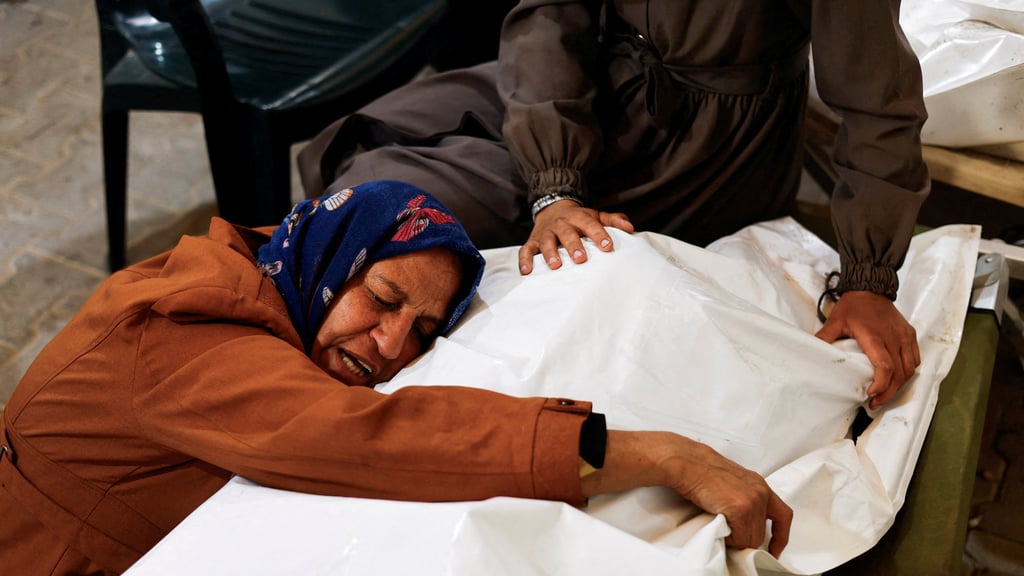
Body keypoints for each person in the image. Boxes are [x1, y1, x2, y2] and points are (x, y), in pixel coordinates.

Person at [0, 180, 791, 576]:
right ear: (327, 257)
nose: (388, 345)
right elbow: (362, 435)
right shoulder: (186, 331)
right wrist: (661, 455)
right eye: (380, 301)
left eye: (421, 331)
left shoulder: (269, 277)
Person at [298, 0, 929, 411]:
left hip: (702, 148)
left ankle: (370, 362)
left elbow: (876, 104)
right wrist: (556, 186)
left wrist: (869, 279)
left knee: (425, 215)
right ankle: (328, 338)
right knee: (376, 178)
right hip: (575, 86)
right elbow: (548, 20)